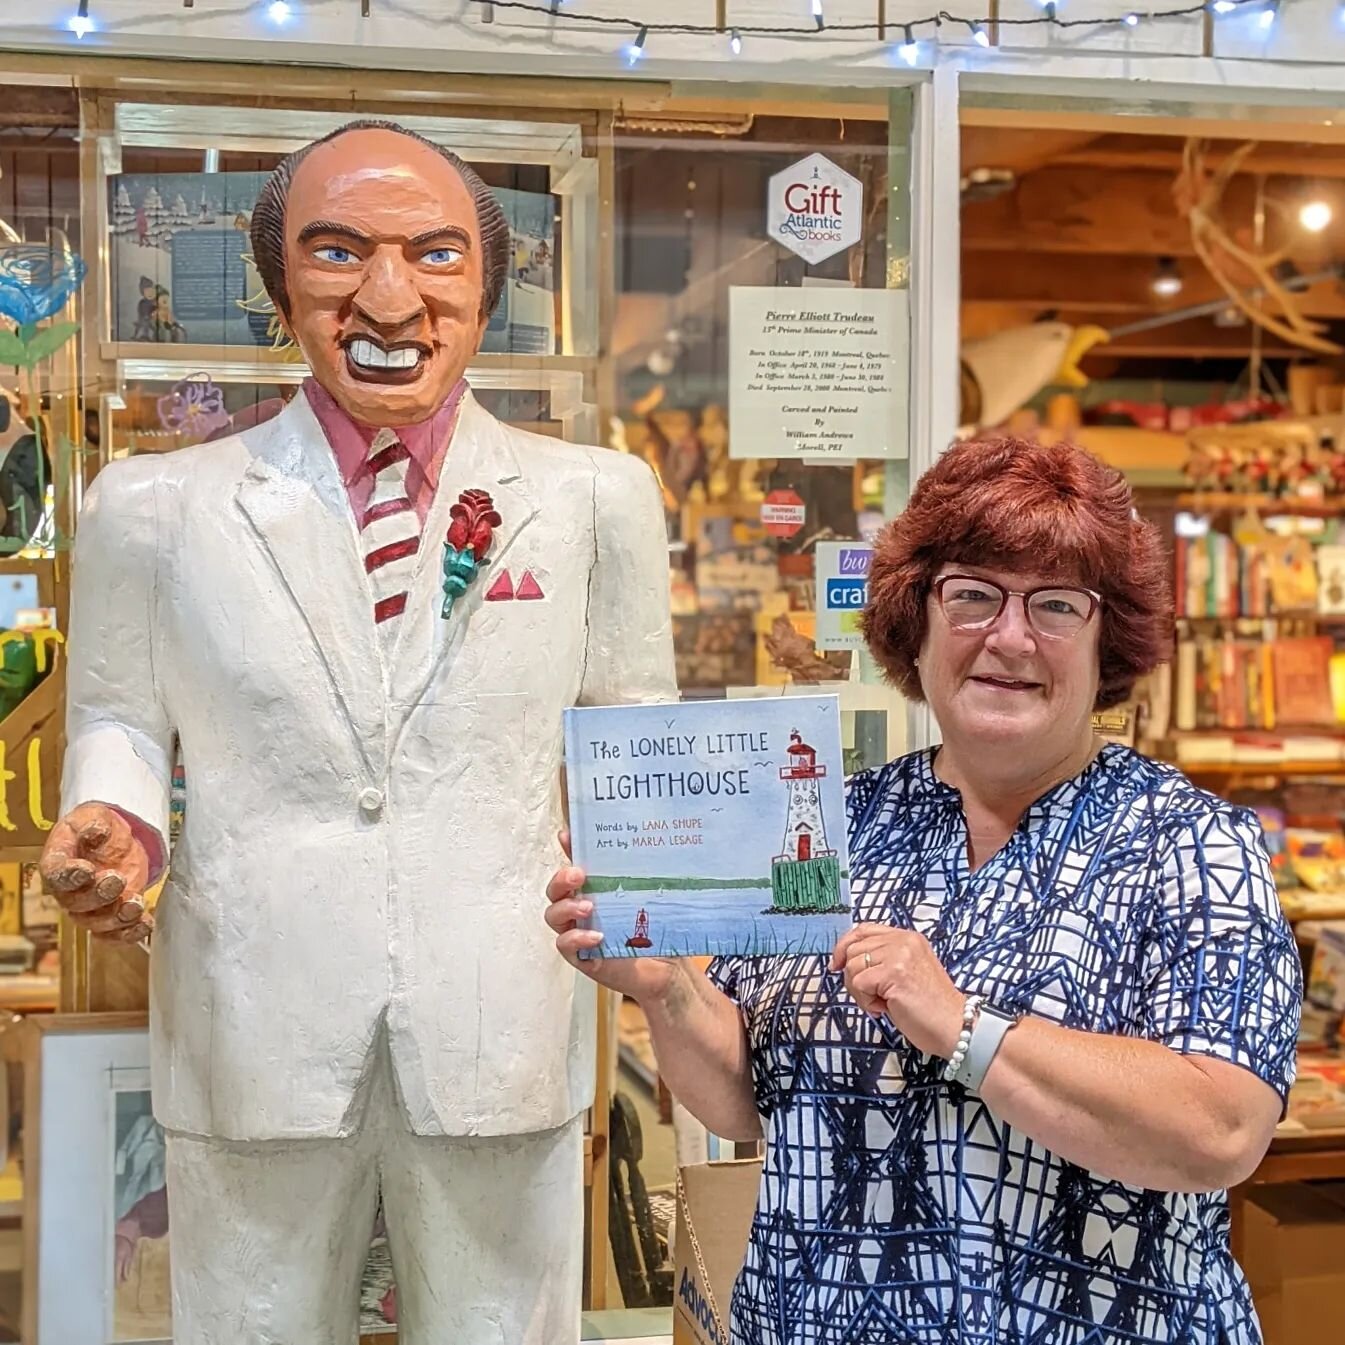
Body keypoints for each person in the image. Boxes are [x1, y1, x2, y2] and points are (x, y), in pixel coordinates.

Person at [41, 120, 675, 1345]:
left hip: (502, 1012)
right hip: (251, 1009)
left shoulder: (597, 498)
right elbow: (119, 711)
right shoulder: (155, 508)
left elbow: (630, 738)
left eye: (435, 254)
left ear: (490, 284)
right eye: (336, 252)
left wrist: (681, 932)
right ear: (279, 286)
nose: (391, 298)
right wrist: (117, 825)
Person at [546, 435, 1301, 1345]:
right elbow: (748, 1093)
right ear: (921, 618)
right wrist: (667, 986)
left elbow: (1220, 1129)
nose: (1009, 636)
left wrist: (962, 1026)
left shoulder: (1187, 845)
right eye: (973, 593)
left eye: (1055, 604)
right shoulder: (839, 821)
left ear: (1108, 640)